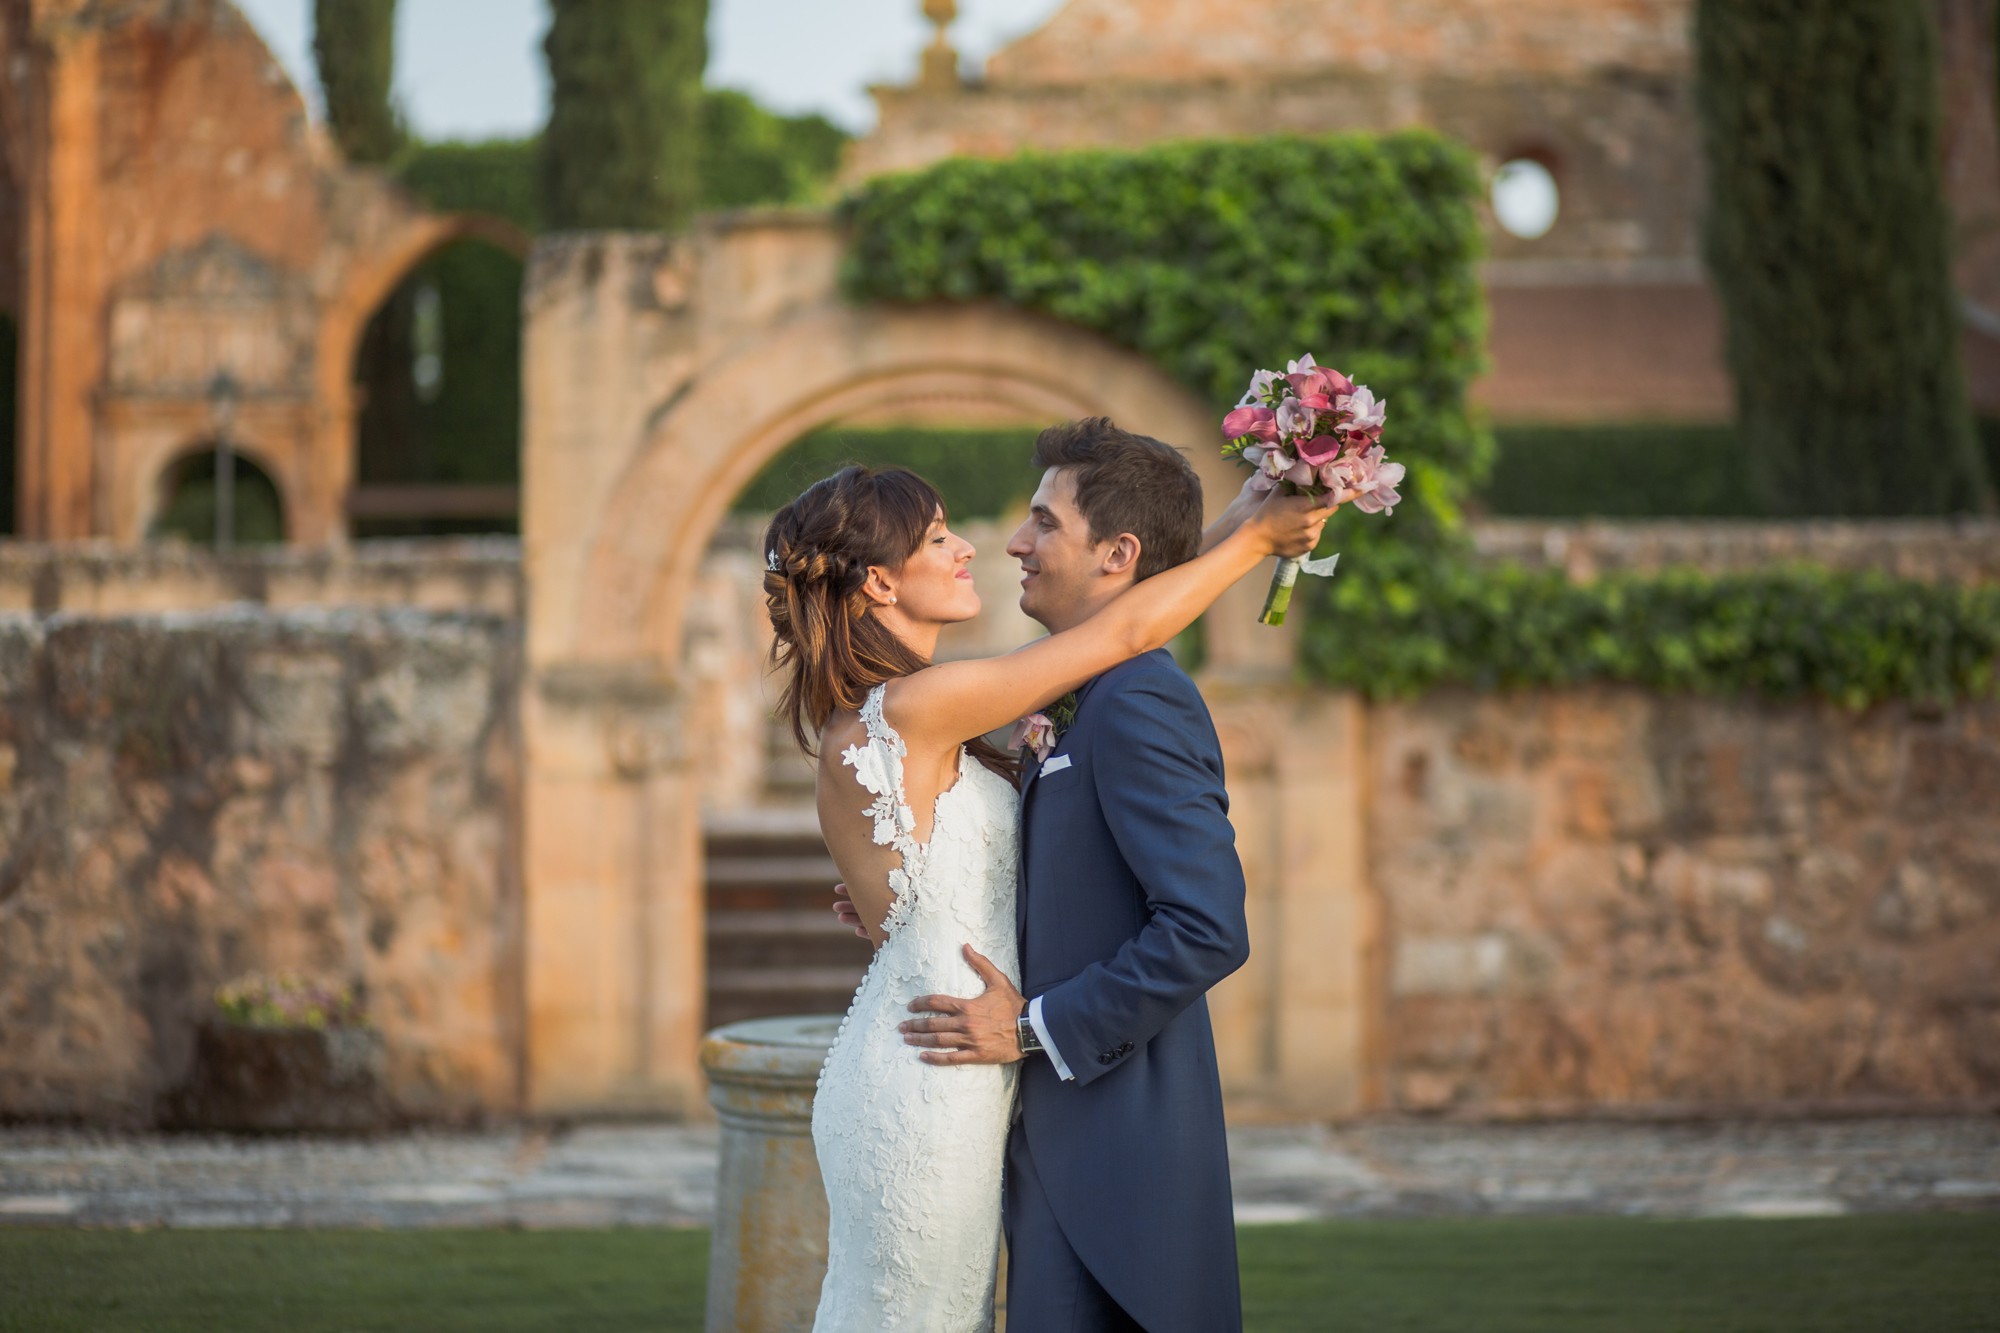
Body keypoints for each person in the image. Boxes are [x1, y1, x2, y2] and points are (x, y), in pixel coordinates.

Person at [767, 425, 1343, 1332]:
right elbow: (1129, 623)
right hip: (937, 1066)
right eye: (937, 539)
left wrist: (915, 900)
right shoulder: (918, 705)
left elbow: (1125, 613)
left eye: (1036, 520)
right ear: (879, 582)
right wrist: (1254, 540)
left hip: (942, 1058)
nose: (982, 546)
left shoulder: (900, 717)